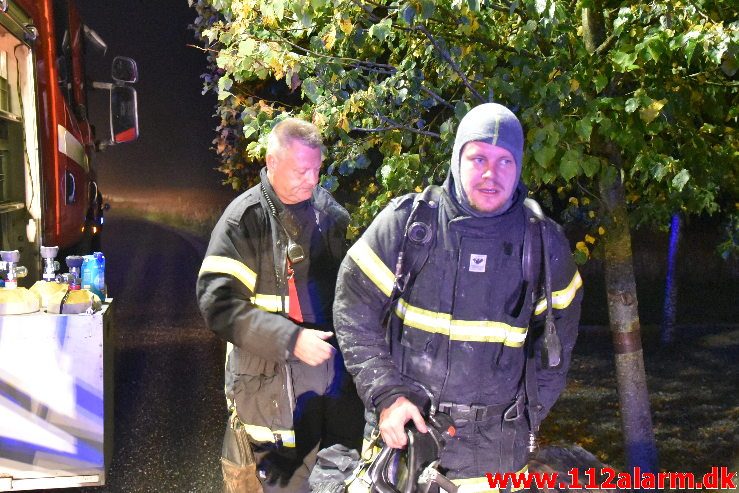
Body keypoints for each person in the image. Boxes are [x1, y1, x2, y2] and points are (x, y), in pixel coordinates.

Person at [333, 103, 583, 490]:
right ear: (457, 158)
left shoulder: (544, 243)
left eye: (505, 161)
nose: (490, 173)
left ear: (519, 168)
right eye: (478, 157)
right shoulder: (408, 225)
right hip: (408, 435)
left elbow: (557, 349)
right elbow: (354, 311)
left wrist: (527, 418)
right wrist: (386, 395)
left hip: (497, 452)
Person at [197, 117, 364, 492]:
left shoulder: (330, 217)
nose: (312, 180)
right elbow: (217, 302)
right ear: (272, 163)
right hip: (273, 395)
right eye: (301, 170)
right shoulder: (244, 222)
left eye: (317, 170)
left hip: (331, 393)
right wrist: (290, 339)